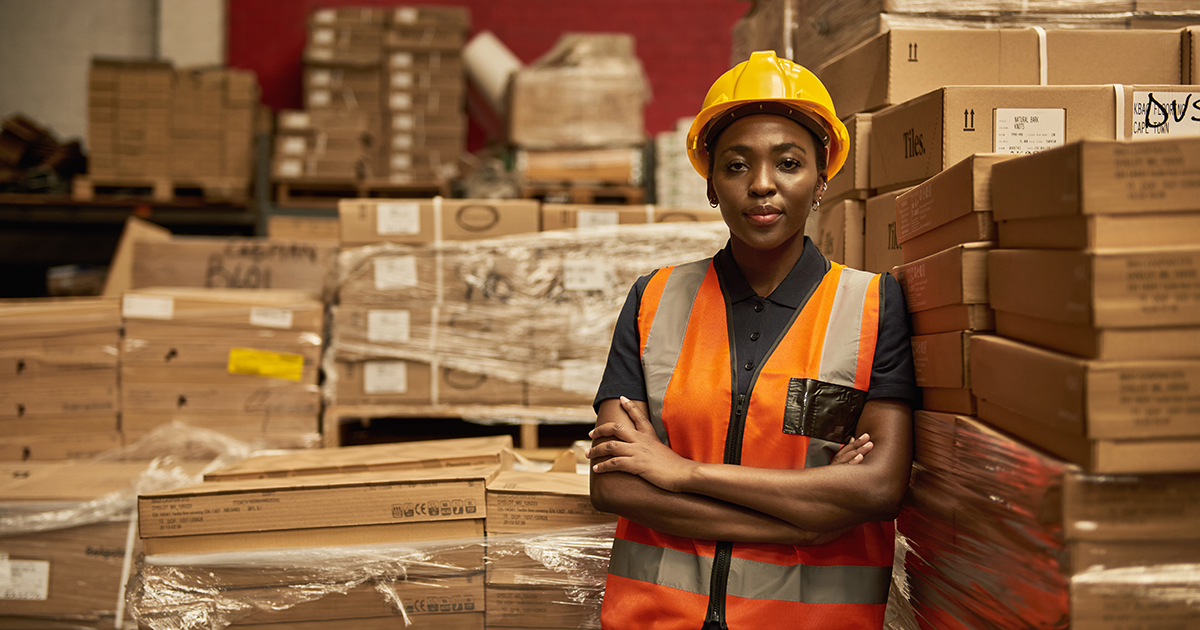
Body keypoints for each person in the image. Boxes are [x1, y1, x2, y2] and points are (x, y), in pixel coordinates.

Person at [586, 51, 918, 630]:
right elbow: (615, 483)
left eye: (788, 163)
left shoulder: (873, 306)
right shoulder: (653, 300)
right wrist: (807, 517)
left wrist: (680, 471)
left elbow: (878, 488)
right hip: (658, 620)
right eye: (737, 166)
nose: (762, 185)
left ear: (820, 180)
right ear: (712, 185)